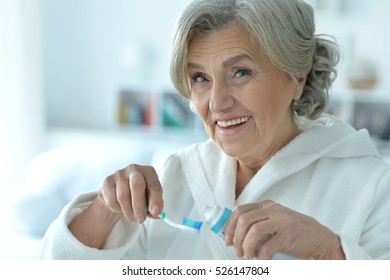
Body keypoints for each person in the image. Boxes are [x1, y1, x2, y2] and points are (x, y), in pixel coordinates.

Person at [40, 0, 390, 260]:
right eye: (200, 79)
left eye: (240, 72)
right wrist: (104, 208)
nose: (217, 103)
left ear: (297, 77)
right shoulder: (175, 179)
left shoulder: (371, 185)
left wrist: (325, 250)